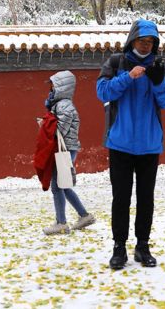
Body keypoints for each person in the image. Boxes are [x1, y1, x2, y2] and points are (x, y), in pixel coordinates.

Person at [96, 18, 165, 270]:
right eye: (142, 41)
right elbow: (102, 92)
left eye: (151, 42)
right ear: (132, 40)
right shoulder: (115, 62)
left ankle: (143, 246)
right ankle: (119, 248)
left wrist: (158, 82)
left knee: (146, 198)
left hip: (149, 145)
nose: (146, 46)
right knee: (120, 198)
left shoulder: (160, 66)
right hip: (120, 143)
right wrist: (128, 77)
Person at [42, 70, 95, 235]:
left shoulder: (63, 105)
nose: (49, 88)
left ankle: (61, 223)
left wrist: (45, 126)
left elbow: (60, 129)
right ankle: (84, 216)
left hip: (64, 148)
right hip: (65, 147)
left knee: (58, 185)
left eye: (52, 84)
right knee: (62, 185)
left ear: (60, 86)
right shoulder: (60, 104)